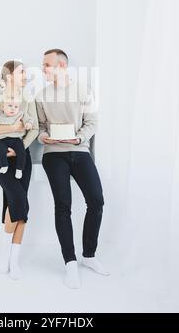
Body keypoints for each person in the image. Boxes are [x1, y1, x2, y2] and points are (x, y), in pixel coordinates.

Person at [36, 48, 110, 289]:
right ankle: (70, 262)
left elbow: (92, 122)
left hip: (79, 150)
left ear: (62, 66)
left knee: (96, 200)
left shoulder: (82, 91)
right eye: (43, 65)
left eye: (47, 64)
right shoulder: (41, 95)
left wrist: (79, 139)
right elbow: (39, 127)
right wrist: (44, 137)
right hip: (54, 155)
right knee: (63, 205)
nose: (43, 69)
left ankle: (89, 256)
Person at [0, 60, 38, 279]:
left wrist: (19, 147)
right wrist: (13, 127)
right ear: (10, 75)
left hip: (21, 155)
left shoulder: (28, 98)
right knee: (18, 198)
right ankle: (4, 254)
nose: (26, 75)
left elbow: (35, 128)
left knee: (17, 202)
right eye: (22, 72)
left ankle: (13, 259)